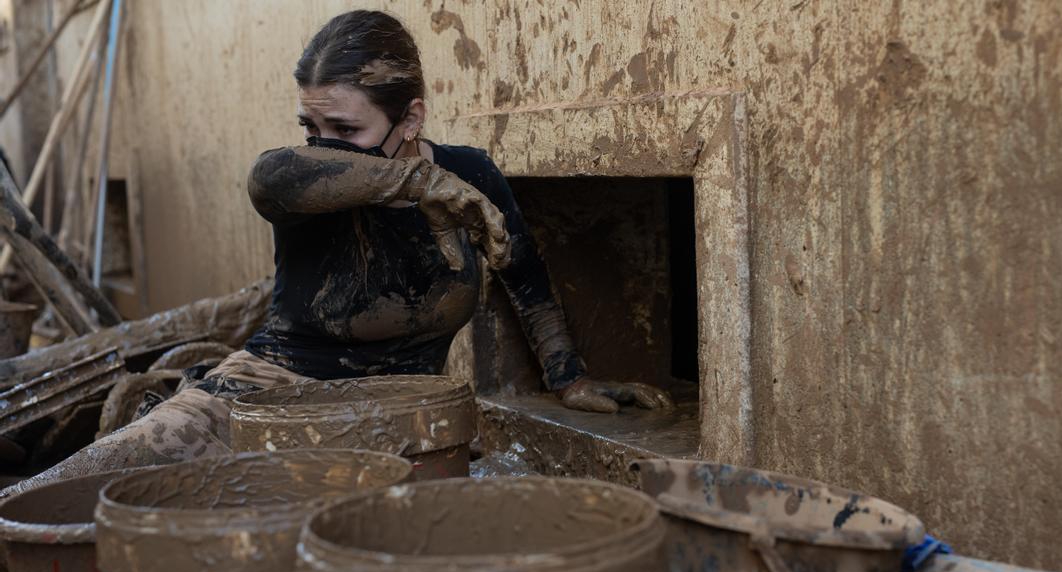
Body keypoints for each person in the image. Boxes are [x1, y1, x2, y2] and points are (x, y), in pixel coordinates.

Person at [6, 9, 669, 495]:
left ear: (410, 120)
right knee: (55, 500)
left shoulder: (473, 177)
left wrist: (570, 378)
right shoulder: (308, 182)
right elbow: (268, 177)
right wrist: (412, 179)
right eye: (311, 127)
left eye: (344, 128)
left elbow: (524, 276)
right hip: (263, 397)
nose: (323, 144)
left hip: (396, 416)